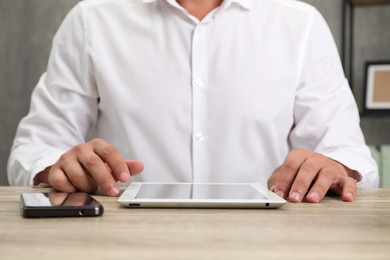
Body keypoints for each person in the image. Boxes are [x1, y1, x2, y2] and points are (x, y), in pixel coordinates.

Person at [7, 0, 379, 203]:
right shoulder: (91, 19)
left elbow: (352, 156)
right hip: (123, 246)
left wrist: (334, 165)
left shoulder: (301, 25)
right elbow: (34, 149)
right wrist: (56, 166)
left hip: (269, 245)